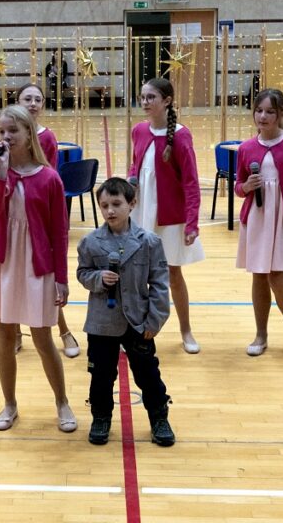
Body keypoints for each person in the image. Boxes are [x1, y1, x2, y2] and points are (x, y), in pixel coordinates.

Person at [0, 104, 76, 433]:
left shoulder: (49, 178)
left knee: (42, 337)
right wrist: (2, 173)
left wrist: (61, 278)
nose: (6, 137)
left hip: (37, 262)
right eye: (1, 131)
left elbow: (59, 232)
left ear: (28, 133)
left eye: (13, 131)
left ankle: (62, 402)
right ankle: (9, 404)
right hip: (3, 260)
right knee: (5, 336)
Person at [77, 177, 175, 446]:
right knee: (101, 375)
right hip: (102, 322)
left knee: (148, 374)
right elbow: (83, 273)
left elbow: (160, 284)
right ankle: (100, 417)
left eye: (116, 204)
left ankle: (159, 417)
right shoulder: (90, 242)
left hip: (139, 321)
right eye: (104, 205)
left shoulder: (149, 242)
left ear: (132, 204)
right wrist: (98, 278)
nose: (110, 211)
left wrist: (154, 320)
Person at [128, 77, 204, 354]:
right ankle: (137, 330)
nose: (145, 102)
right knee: (137, 274)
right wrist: (131, 181)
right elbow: (135, 165)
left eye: (151, 97)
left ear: (167, 101)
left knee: (173, 273)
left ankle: (186, 331)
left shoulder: (181, 136)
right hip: (141, 211)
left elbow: (191, 182)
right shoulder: (139, 130)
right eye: (142, 97)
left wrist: (192, 223)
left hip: (170, 216)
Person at [234, 89, 283, 357]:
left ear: (280, 114)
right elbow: (238, 187)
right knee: (259, 276)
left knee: (278, 278)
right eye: (259, 111)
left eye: (269, 111)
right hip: (257, 220)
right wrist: (246, 186)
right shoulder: (246, 148)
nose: (263, 116)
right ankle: (261, 334)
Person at [16, 82, 80, 358]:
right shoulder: (8, 133)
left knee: (46, 283)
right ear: (17, 102)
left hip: (39, 217)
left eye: (37, 100)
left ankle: (63, 331)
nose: (32, 104)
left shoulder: (47, 137)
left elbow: (48, 177)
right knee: (15, 280)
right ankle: (15, 332)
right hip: (15, 216)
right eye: (27, 99)